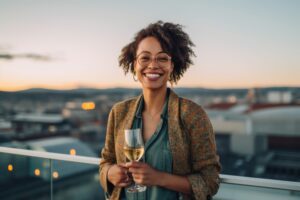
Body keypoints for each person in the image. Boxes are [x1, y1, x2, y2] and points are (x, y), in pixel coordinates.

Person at [99, 21, 221, 200]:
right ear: (135, 64)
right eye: (145, 58)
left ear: (172, 65)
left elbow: (210, 180)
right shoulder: (119, 112)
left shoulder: (193, 114)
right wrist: (110, 173)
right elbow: (105, 162)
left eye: (162, 58)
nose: (153, 65)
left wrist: (159, 178)